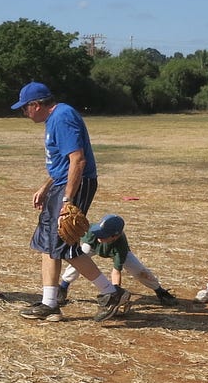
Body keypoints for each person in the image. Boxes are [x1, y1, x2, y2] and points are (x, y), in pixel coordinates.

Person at [11, 81, 125, 323]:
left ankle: (110, 293)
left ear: (36, 105)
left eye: (24, 108)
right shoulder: (54, 119)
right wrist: (46, 186)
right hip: (62, 185)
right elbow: (62, 164)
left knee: (63, 245)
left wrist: (67, 200)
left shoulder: (62, 117)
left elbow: (78, 161)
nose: (24, 113)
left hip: (75, 186)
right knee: (48, 244)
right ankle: (49, 303)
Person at [58, 214, 177, 307]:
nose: (99, 236)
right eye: (99, 232)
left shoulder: (120, 246)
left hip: (115, 249)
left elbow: (116, 271)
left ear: (116, 236)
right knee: (79, 259)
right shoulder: (92, 233)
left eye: (104, 235)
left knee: (139, 271)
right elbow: (76, 241)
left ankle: (160, 291)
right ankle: (63, 288)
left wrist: (115, 292)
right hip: (92, 246)